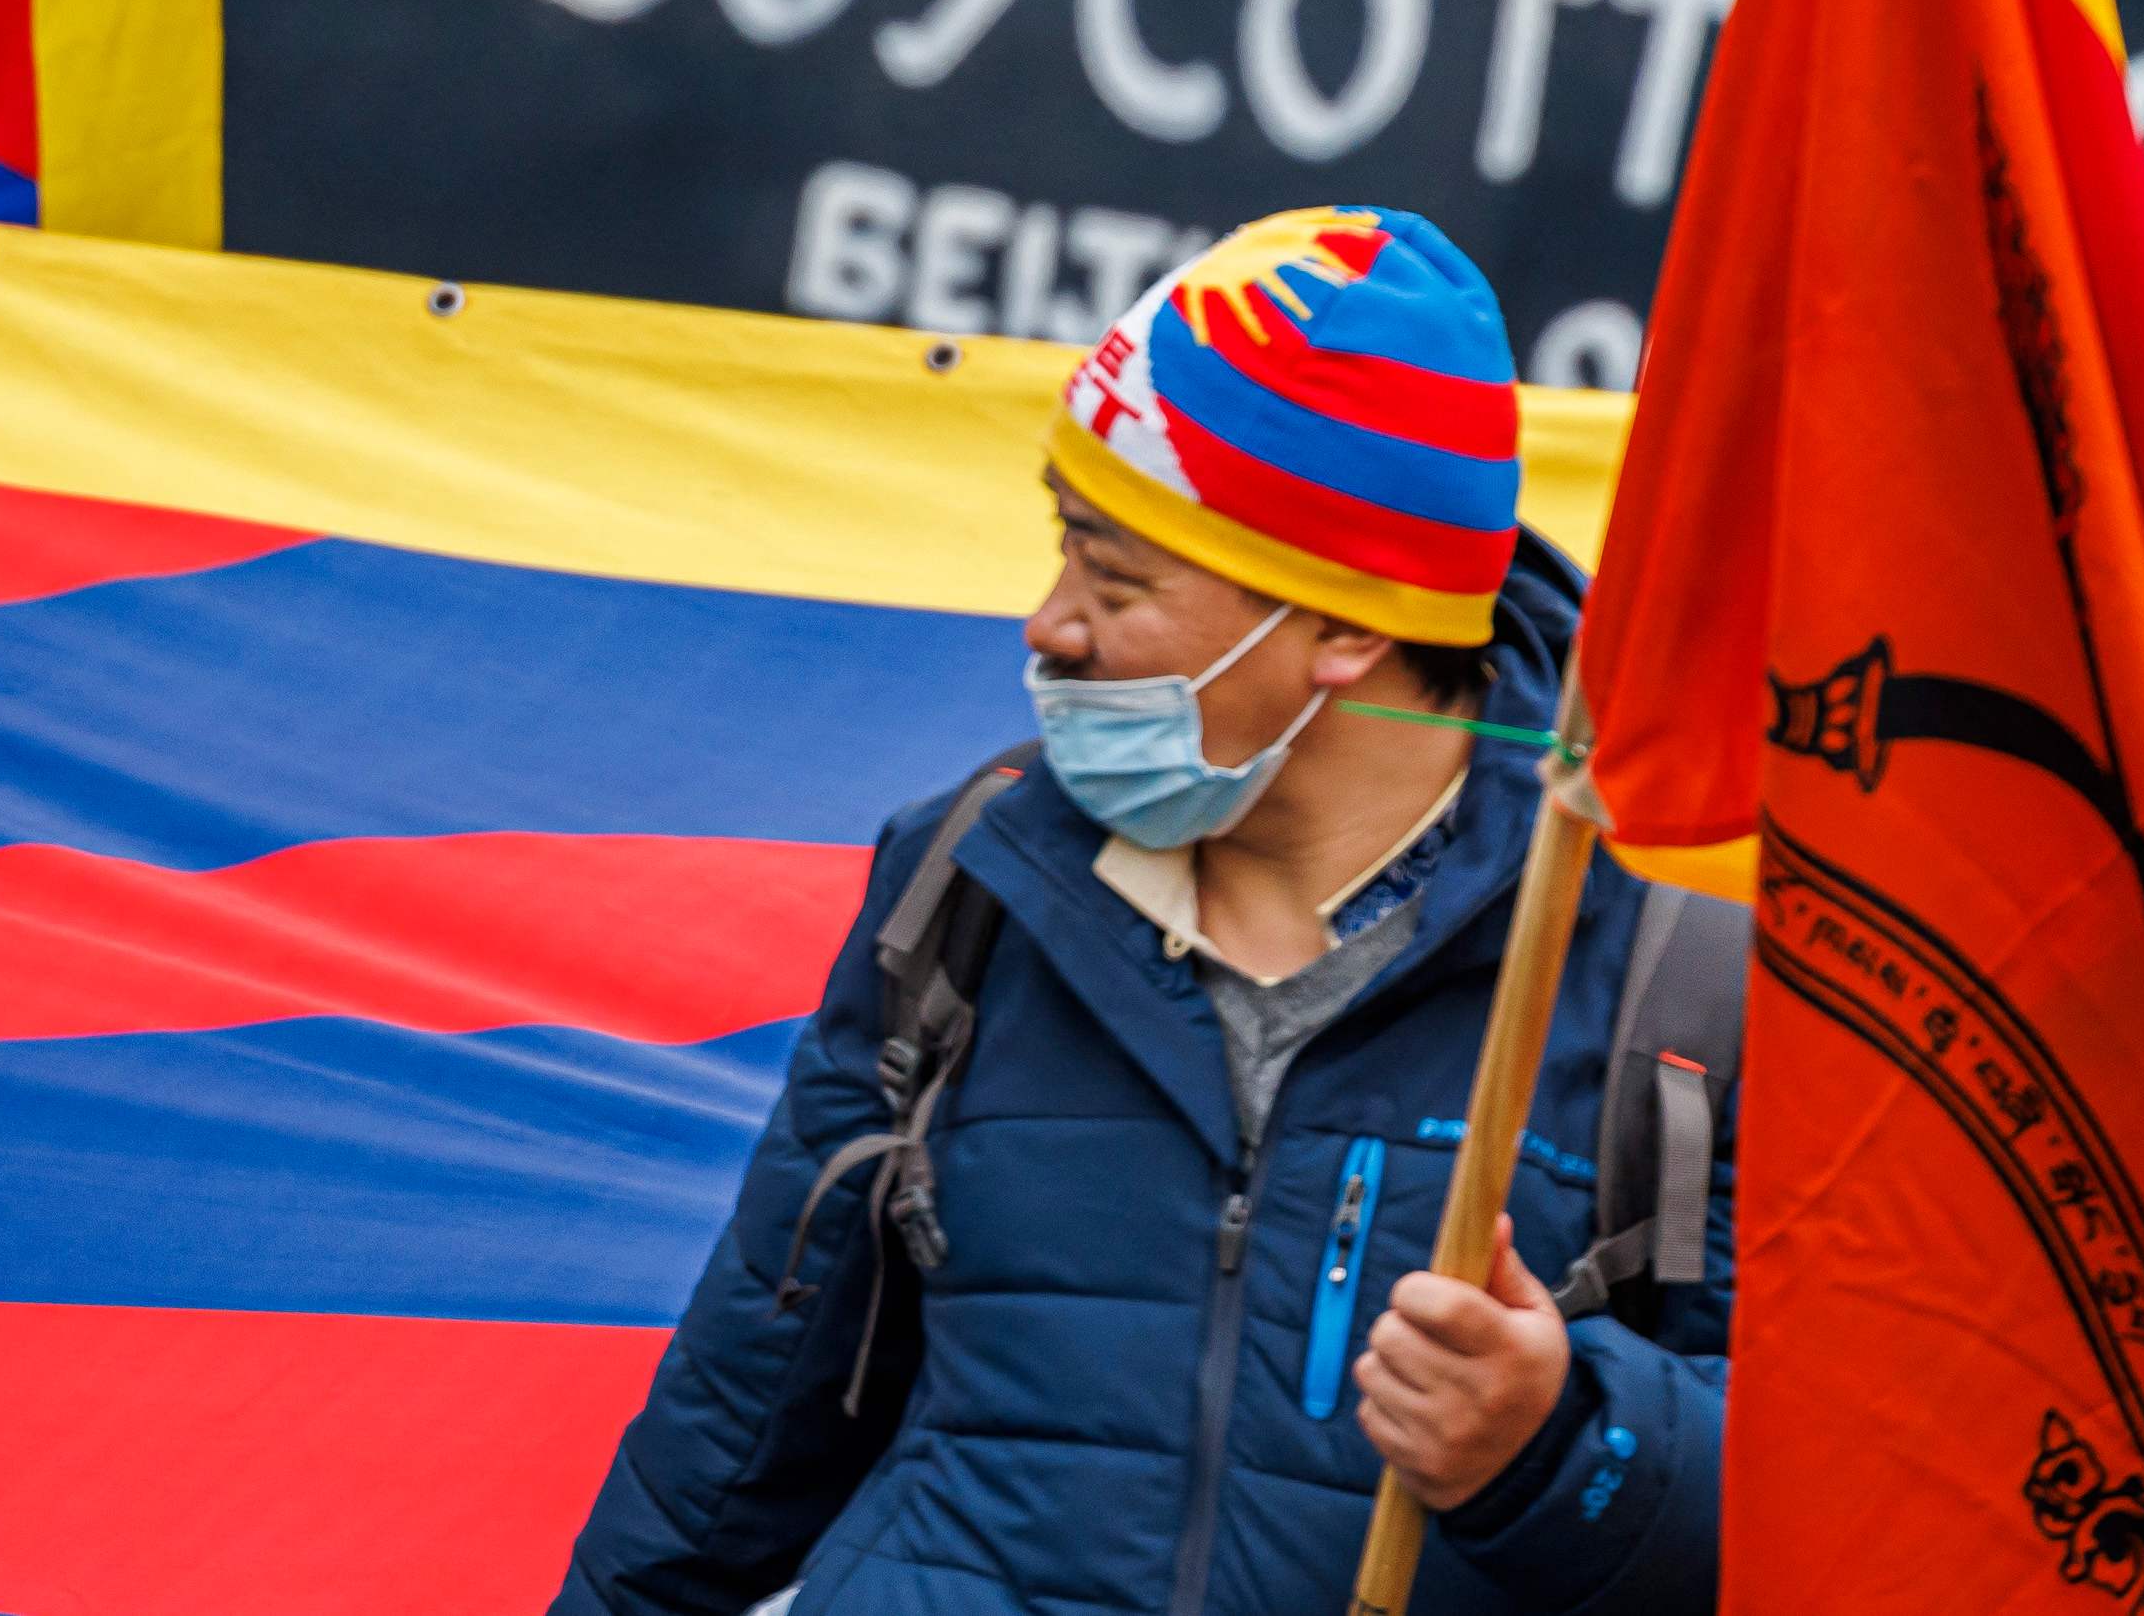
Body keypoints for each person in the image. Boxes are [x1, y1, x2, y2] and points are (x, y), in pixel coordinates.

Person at [555, 204, 1735, 1616]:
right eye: (1066, 548)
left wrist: (1563, 1441)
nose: (1048, 623)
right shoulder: (968, 874)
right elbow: (742, 1419)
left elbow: (1865, 1525)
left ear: (1347, 628)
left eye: (1116, 579)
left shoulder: (1681, 966)